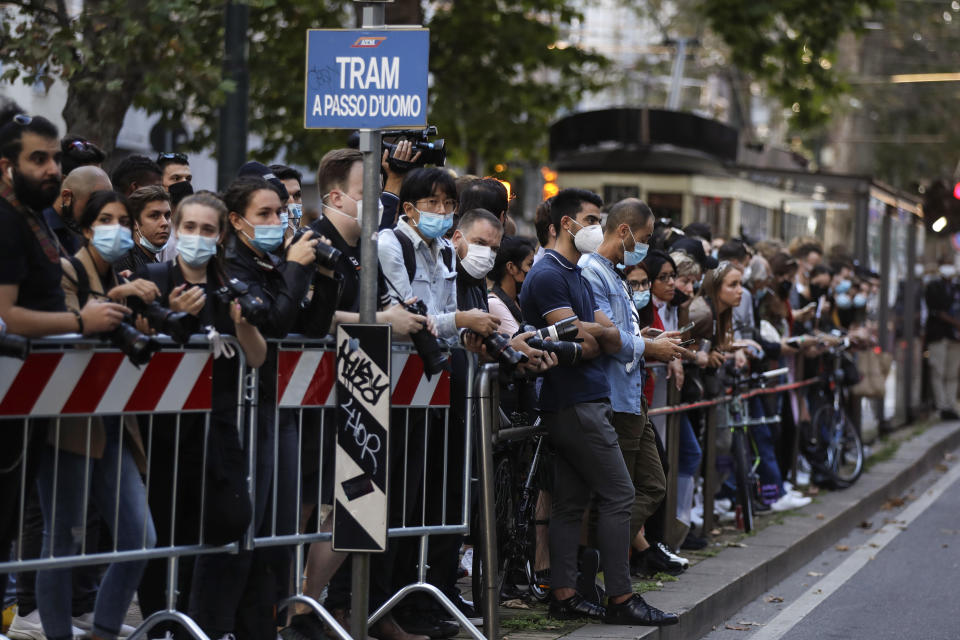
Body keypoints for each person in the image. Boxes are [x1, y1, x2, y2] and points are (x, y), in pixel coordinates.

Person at [520, 187, 676, 626]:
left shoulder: (573, 271)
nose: (596, 228)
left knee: (571, 502)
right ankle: (621, 598)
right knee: (620, 492)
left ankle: (566, 592)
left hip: (589, 398)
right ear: (566, 224)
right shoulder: (552, 273)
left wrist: (592, 338)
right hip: (574, 401)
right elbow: (587, 340)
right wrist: (591, 339)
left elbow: (598, 336)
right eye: (590, 220)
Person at [0, 106, 128, 640]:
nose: (51, 169)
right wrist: (82, 319)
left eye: (54, 158)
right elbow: (7, 314)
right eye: (38, 159)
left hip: (37, 402)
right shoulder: (7, 223)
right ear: (5, 166)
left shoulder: (34, 220)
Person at [189, 175, 319, 640]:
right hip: (239, 411)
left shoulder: (272, 263)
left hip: (273, 407)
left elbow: (310, 320)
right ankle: (214, 628)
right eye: (264, 213)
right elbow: (276, 321)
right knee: (239, 528)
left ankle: (260, 627)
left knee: (275, 534)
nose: (277, 221)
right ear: (237, 221)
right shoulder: (234, 269)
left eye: (281, 211)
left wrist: (317, 271)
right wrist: (295, 268)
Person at [134, 192, 265, 627]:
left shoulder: (230, 286)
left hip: (219, 427)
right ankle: (160, 623)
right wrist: (164, 314)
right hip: (165, 432)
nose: (196, 237)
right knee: (163, 535)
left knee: (230, 520)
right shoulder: (155, 277)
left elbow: (259, 356)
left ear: (220, 235)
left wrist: (243, 321)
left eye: (207, 230)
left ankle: (202, 623)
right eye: (189, 227)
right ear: (177, 229)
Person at [38, 190, 158, 640]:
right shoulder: (66, 271)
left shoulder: (130, 271)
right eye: (105, 220)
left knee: (140, 536)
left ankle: (104, 630)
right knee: (62, 542)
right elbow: (68, 326)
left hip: (114, 423)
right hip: (68, 425)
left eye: (124, 221)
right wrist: (118, 296)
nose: (117, 229)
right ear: (86, 229)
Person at [577, 198, 683, 625]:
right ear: (623, 231)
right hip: (611, 398)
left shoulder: (617, 276)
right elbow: (604, 335)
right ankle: (602, 578)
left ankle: (599, 561)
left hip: (631, 394)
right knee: (613, 496)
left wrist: (648, 337)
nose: (644, 246)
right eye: (642, 238)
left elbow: (623, 332)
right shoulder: (591, 272)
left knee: (652, 485)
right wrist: (647, 345)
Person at [43, 165, 112, 254]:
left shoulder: (78, 232)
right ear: (67, 197)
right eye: (93, 205)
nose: (98, 214)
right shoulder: (39, 227)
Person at [924, 261, 960, 420]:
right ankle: (942, 405)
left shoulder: (956, 287)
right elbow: (936, 311)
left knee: (952, 373)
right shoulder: (933, 286)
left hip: (955, 338)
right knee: (938, 371)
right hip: (939, 336)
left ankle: (951, 404)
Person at [114, 186, 171, 274]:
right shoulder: (126, 264)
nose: (165, 223)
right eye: (154, 216)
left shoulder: (153, 261)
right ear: (133, 223)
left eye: (167, 216)